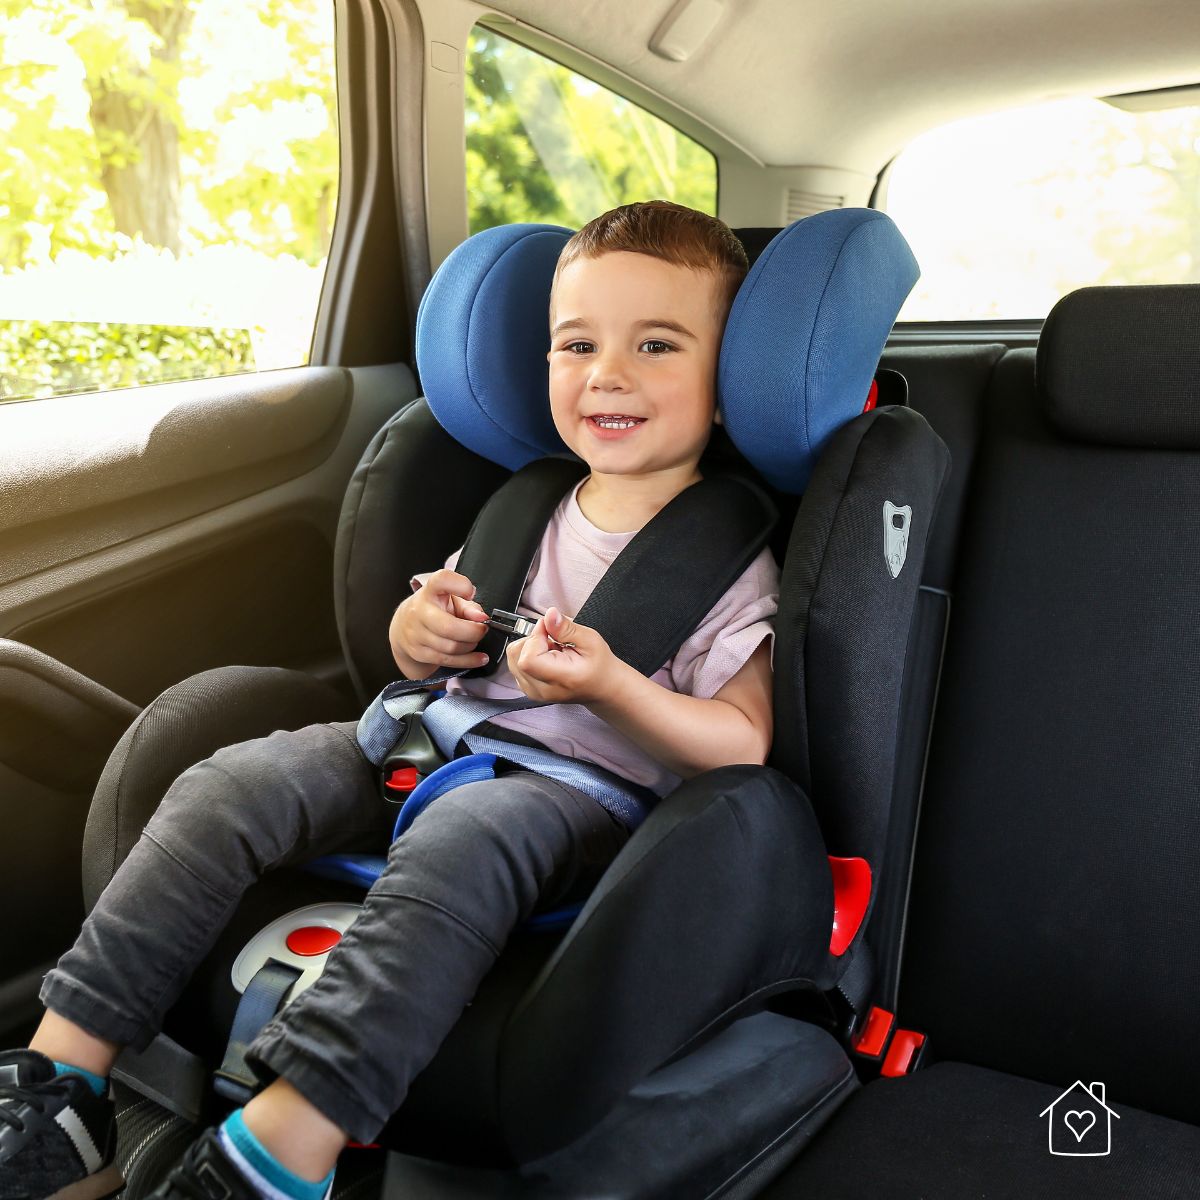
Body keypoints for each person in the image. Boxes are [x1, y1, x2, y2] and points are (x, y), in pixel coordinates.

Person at [0, 200, 779, 1200]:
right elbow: (418, 657)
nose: (607, 373)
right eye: (576, 343)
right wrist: (423, 633)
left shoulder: (729, 558)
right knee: (227, 782)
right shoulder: (523, 506)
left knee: (465, 837)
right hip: (422, 741)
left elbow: (740, 745)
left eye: (657, 344)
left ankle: (280, 1152)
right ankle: (62, 1086)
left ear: (725, 385)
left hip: (568, 796)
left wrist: (613, 686)